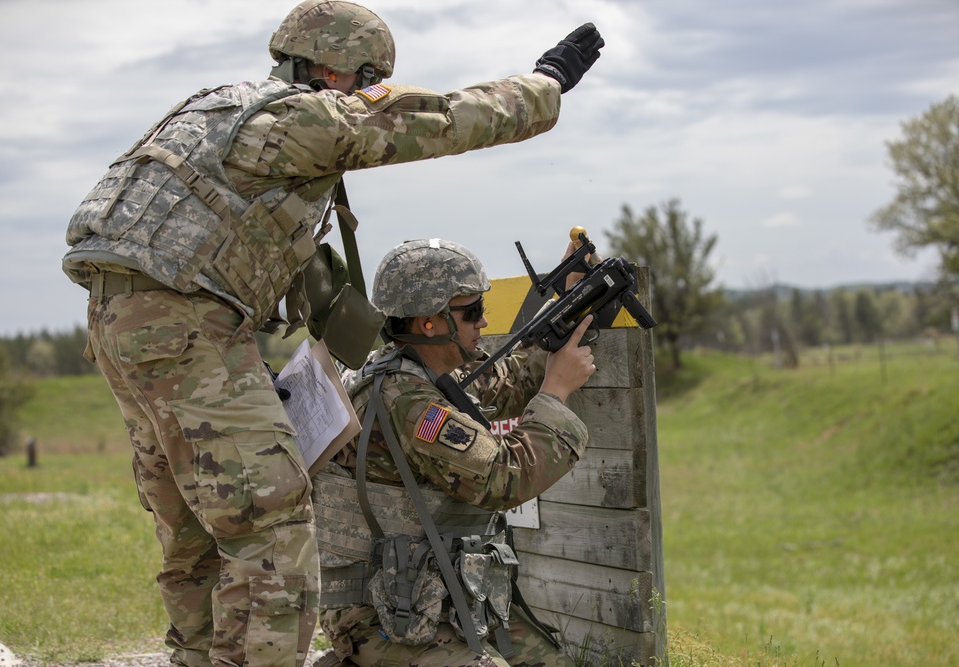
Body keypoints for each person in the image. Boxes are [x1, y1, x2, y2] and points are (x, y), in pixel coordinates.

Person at [61, 1, 604, 664]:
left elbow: (300, 275)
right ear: (337, 71)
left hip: (119, 319)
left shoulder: (213, 112)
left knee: (196, 531)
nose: (370, 96)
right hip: (192, 323)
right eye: (368, 82)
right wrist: (546, 84)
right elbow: (444, 118)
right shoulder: (303, 117)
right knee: (273, 528)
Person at [311, 238, 596, 666]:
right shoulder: (410, 403)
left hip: (424, 586)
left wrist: (569, 302)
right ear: (430, 323)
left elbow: (508, 379)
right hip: (381, 608)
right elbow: (506, 478)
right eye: (472, 311)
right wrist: (555, 395)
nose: (484, 322)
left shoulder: (408, 368)